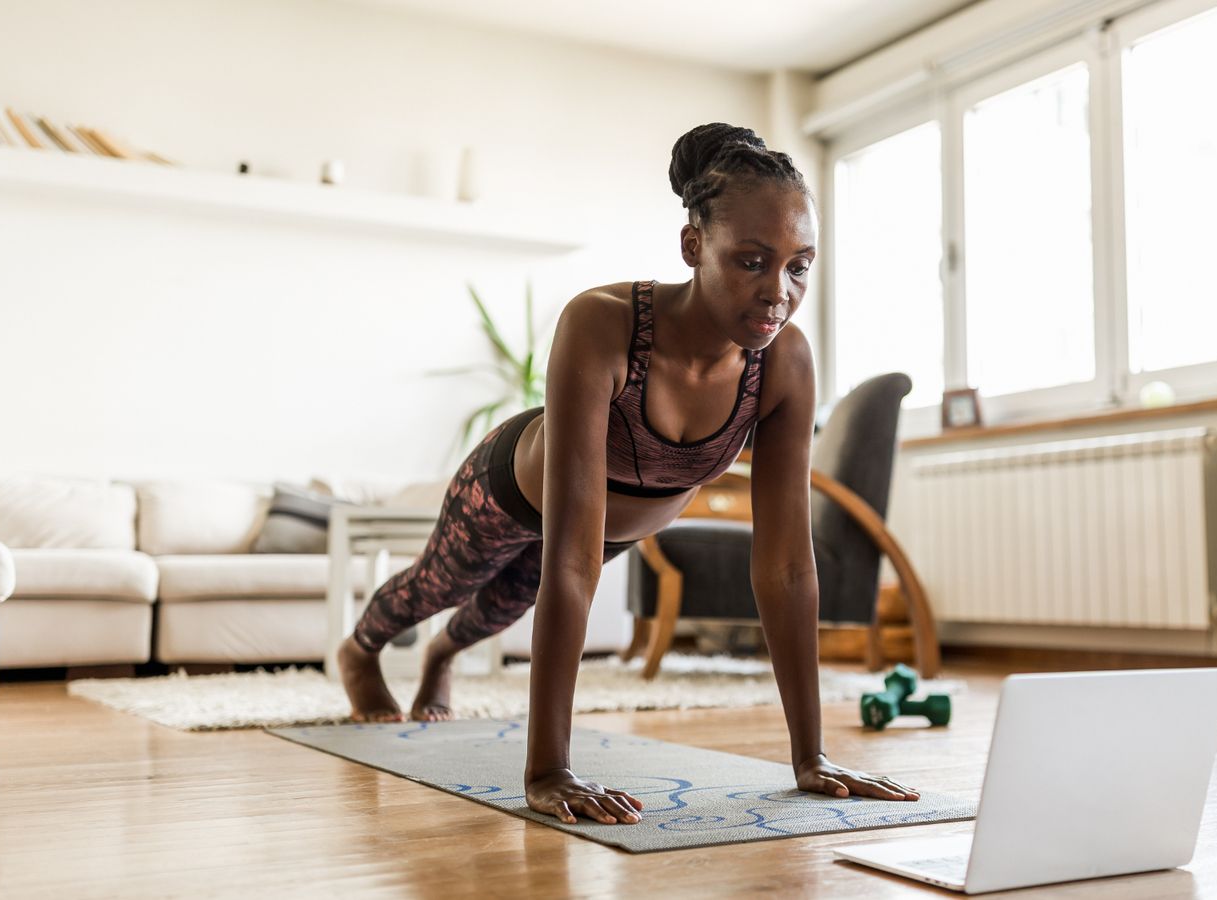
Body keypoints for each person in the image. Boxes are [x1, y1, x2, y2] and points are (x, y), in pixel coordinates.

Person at [335, 122, 921, 825]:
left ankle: (440, 660)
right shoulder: (603, 323)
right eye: (752, 261)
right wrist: (549, 770)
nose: (778, 291)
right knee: (440, 583)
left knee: (497, 611)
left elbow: (788, 567)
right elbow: (572, 563)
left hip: (612, 528)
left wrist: (810, 757)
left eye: (799, 265)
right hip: (511, 494)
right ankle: (360, 651)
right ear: (693, 246)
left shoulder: (783, 362)